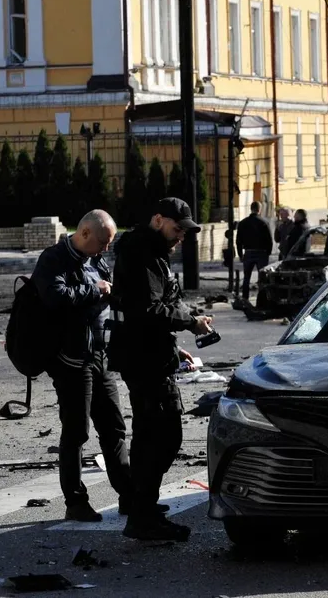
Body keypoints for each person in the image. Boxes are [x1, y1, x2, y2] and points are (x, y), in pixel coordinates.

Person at [107, 198, 213, 542]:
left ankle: (141, 507)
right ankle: (141, 514)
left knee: (150, 436)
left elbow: (160, 305)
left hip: (147, 352)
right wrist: (190, 322)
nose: (180, 236)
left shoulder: (150, 252)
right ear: (157, 220)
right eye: (176, 228)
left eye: (184, 231)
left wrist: (184, 325)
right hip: (144, 358)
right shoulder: (142, 254)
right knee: (165, 436)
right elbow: (150, 310)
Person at [32, 209, 132, 522]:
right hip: (71, 360)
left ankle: (130, 497)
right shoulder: (54, 259)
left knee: (114, 428)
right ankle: (75, 502)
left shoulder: (96, 259)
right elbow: (54, 297)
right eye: (102, 242)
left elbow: (108, 293)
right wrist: (97, 290)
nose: (105, 249)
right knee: (76, 432)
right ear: (85, 233)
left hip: (99, 356)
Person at [235, 202, 273, 301]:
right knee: (263, 277)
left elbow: (238, 240)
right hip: (261, 252)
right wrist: (268, 252)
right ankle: (262, 298)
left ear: (250, 209)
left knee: (246, 277)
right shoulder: (264, 222)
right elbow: (269, 239)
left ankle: (245, 298)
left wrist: (240, 254)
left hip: (248, 252)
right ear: (259, 209)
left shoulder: (243, 223)